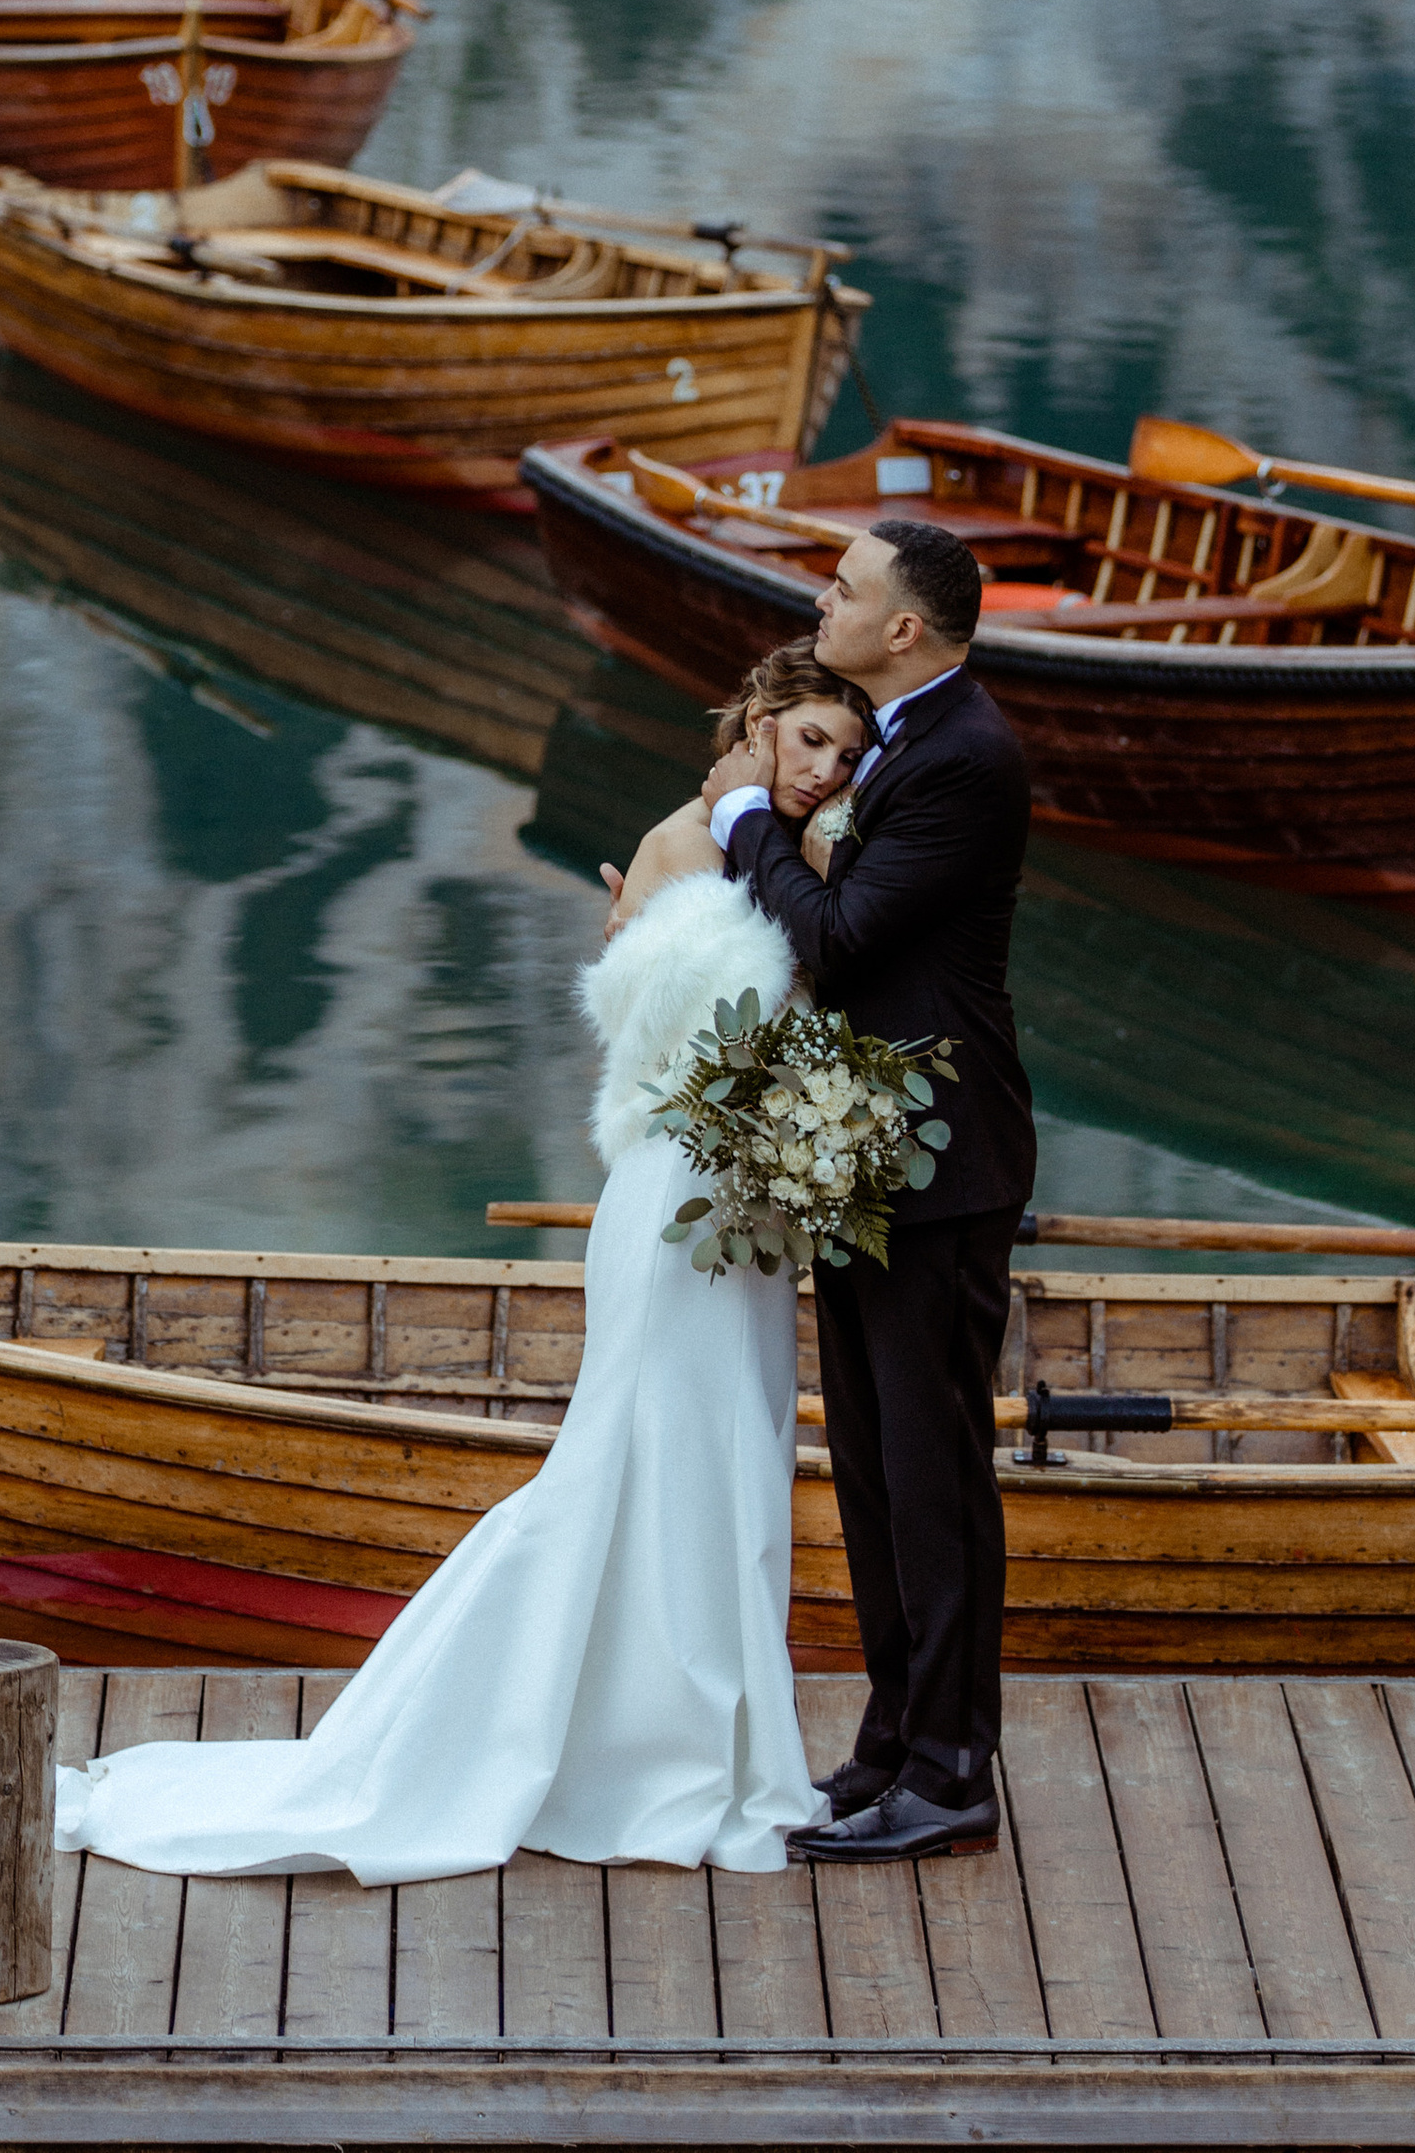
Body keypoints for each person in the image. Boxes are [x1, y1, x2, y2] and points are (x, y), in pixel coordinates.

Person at [52, 645, 873, 1886]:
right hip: (679, 1211)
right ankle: (619, 1754)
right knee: (646, 1463)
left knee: (726, 1466)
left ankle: (699, 1741)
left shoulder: (772, 855)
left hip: (738, 1214)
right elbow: (727, 1040)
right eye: (808, 738)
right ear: (757, 724)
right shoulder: (694, 849)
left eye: (845, 757)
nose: (823, 770)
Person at [705, 518, 1035, 1867]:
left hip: (944, 1165)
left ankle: (953, 1769)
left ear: (905, 629)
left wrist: (739, 823)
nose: (820, 601)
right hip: (864, 1155)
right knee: (875, 1469)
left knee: (935, 1470)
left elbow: (839, 944)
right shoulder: (896, 740)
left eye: (843, 588)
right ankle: (894, 1741)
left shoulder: (966, 760)